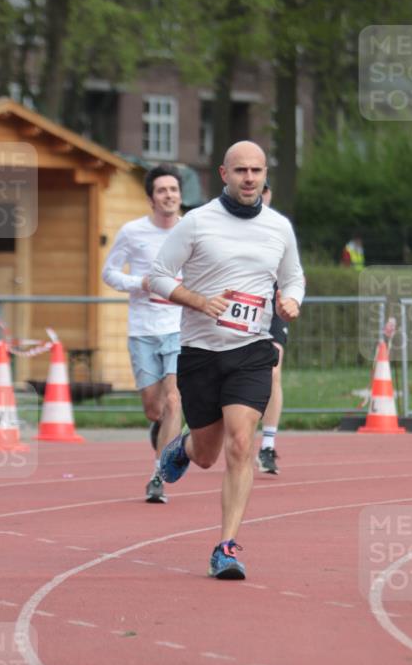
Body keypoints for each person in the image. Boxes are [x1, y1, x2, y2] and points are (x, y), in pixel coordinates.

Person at [150, 141, 305, 580]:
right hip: (200, 352)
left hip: (252, 351)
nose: (250, 178)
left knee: (241, 444)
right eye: (241, 171)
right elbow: (157, 276)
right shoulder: (197, 223)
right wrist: (198, 301)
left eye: (257, 170)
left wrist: (291, 301)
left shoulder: (278, 227)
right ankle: (181, 446)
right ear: (224, 173)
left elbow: (293, 277)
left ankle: (226, 547)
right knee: (205, 454)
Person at [102, 164, 183, 503]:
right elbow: (109, 273)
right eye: (162, 190)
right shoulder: (132, 232)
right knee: (154, 407)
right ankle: (160, 427)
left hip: (179, 327)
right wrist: (140, 283)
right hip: (142, 330)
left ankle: (158, 476)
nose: (169, 196)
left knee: (174, 399)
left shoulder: (191, 230)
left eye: (174, 190)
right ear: (151, 198)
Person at [257, 182, 287, 476]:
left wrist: (290, 298)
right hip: (237, 305)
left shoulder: (278, 227)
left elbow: (292, 271)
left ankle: (267, 445)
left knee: (273, 370)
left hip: (272, 306)